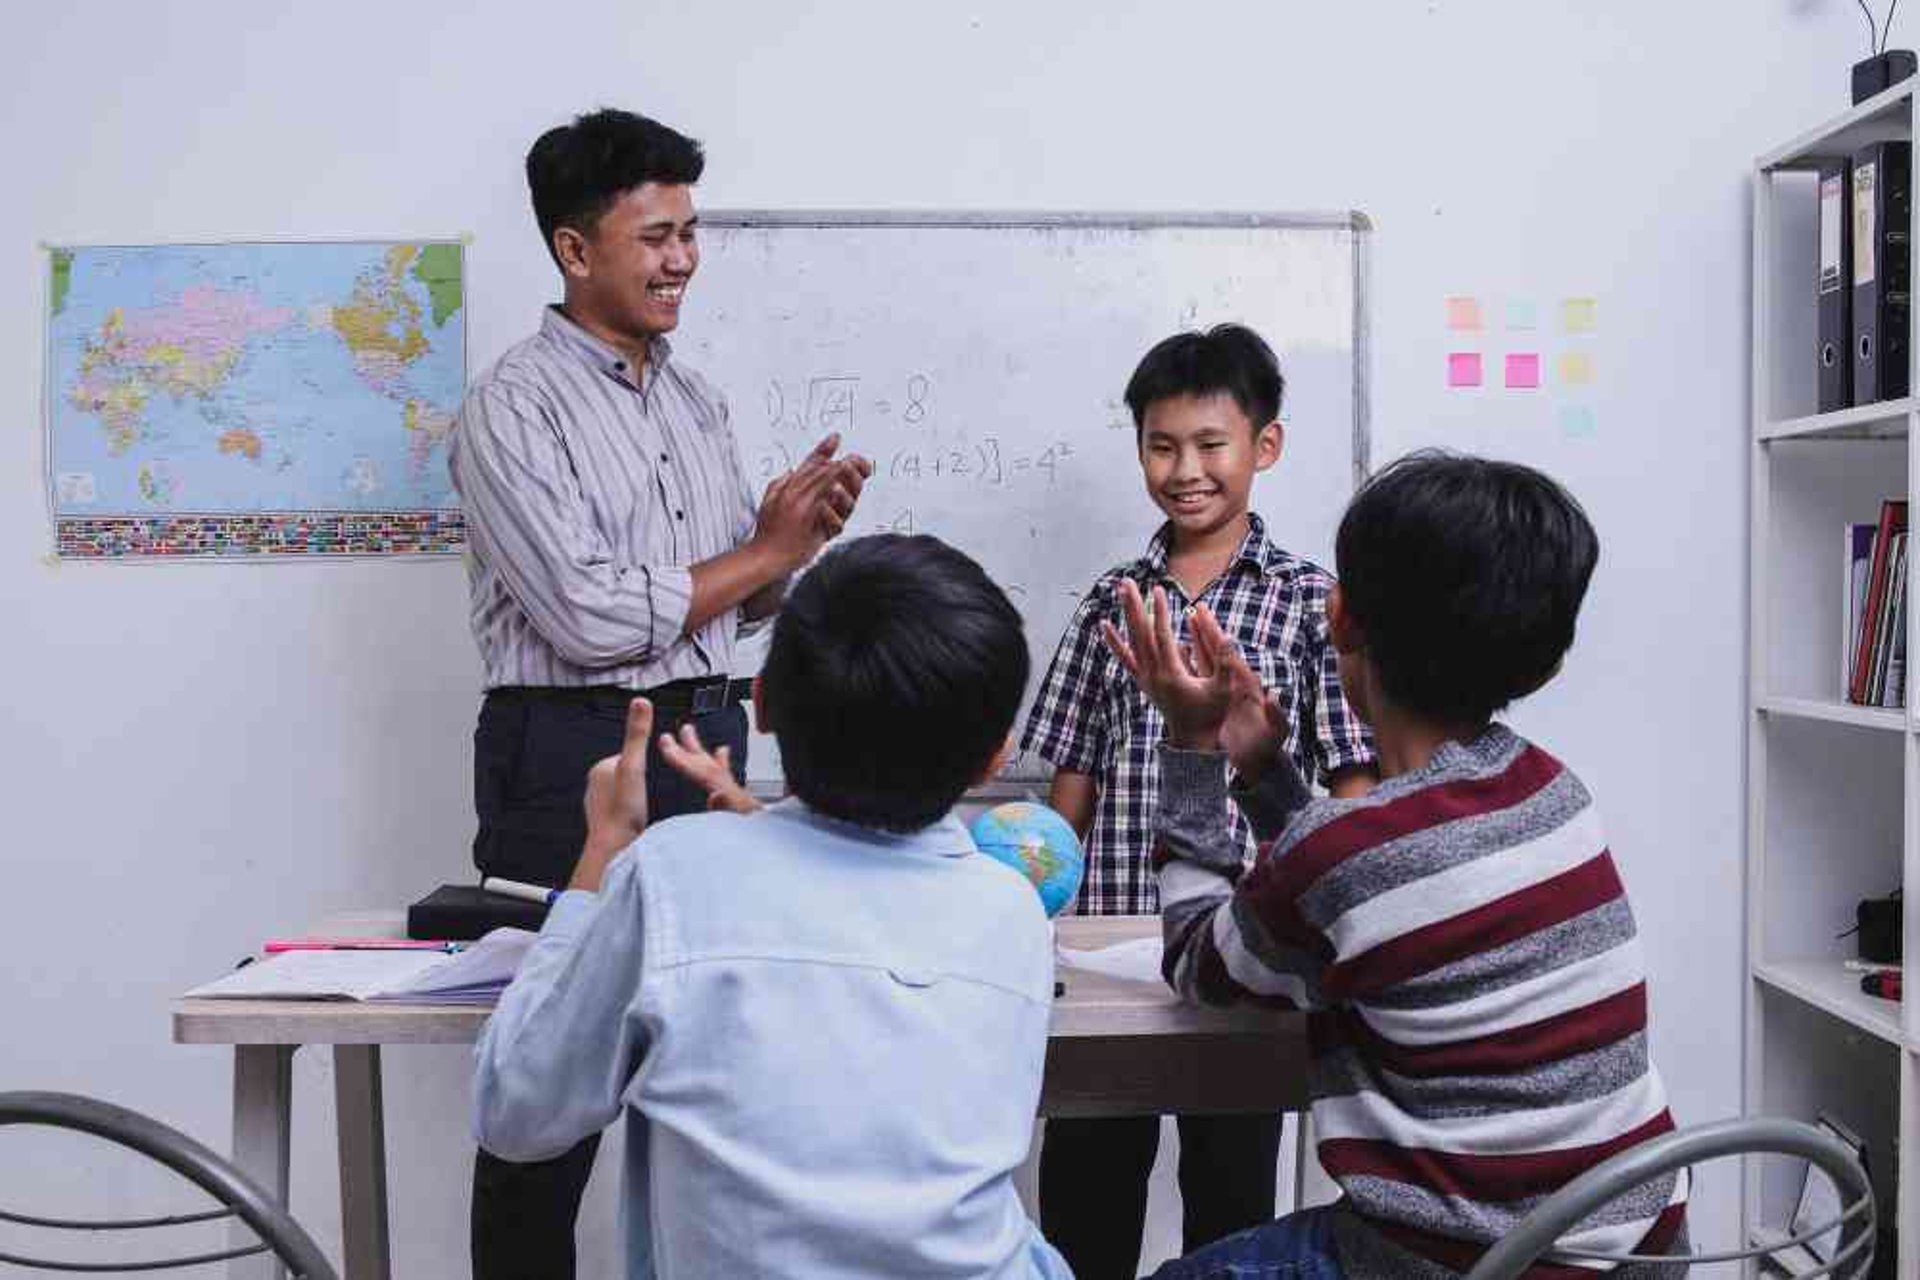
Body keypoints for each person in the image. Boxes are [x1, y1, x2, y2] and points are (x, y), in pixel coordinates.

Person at [448, 107, 869, 1279]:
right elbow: (586, 615)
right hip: (568, 754)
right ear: (576, 251)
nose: (682, 257)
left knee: (721, 1067)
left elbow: (723, 610)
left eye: (690, 230)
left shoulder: (699, 402)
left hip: (706, 736)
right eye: (656, 234)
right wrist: (763, 552)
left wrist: (799, 547)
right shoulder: (511, 407)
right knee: (550, 1081)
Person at [1107, 452, 1688, 1278]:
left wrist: (1194, 749)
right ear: (1546, 657)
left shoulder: (1348, 854)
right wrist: (1268, 773)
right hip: (1640, 1249)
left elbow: (1199, 963)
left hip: (1463, 1263)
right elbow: (1371, 884)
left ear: (1339, 619)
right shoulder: (1555, 792)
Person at [472, 534, 1073, 1280]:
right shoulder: (1011, 912)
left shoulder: (671, 877)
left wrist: (604, 848)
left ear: (761, 706)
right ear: (995, 758)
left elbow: (517, 1111)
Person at [1021, 324, 1375, 1275]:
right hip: (1105, 951)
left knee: (1231, 1208)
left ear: (1265, 447)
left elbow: (1352, 776)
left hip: (1246, 948)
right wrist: (1034, 915)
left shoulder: (1310, 603)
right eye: (1161, 445)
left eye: (1209, 445)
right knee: (1087, 1204)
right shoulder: (1111, 603)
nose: (1185, 470)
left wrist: (1335, 923)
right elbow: (1071, 778)